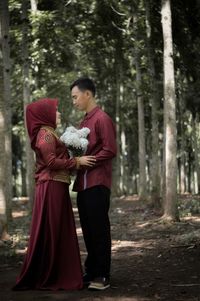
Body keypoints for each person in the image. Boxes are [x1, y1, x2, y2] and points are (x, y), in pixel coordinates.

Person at [13, 98, 96, 291]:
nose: (58, 114)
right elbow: (50, 162)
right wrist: (77, 162)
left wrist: (73, 158)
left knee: (57, 229)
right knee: (54, 229)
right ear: (45, 114)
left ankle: (59, 272)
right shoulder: (46, 135)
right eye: (55, 111)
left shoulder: (48, 133)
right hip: (51, 186)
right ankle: (53, 274)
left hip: (56, 185)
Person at [70, 77, 117, 290]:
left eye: (75, 96)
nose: (73, 101)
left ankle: (103, 275)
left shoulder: (102, 119)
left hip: (98, 184)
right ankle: (91, 271)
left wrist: (90, 161)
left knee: (99, 230)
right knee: (88, 230)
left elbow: (110, 149)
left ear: (87, 94)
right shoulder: (83, 122)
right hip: (83, 185)